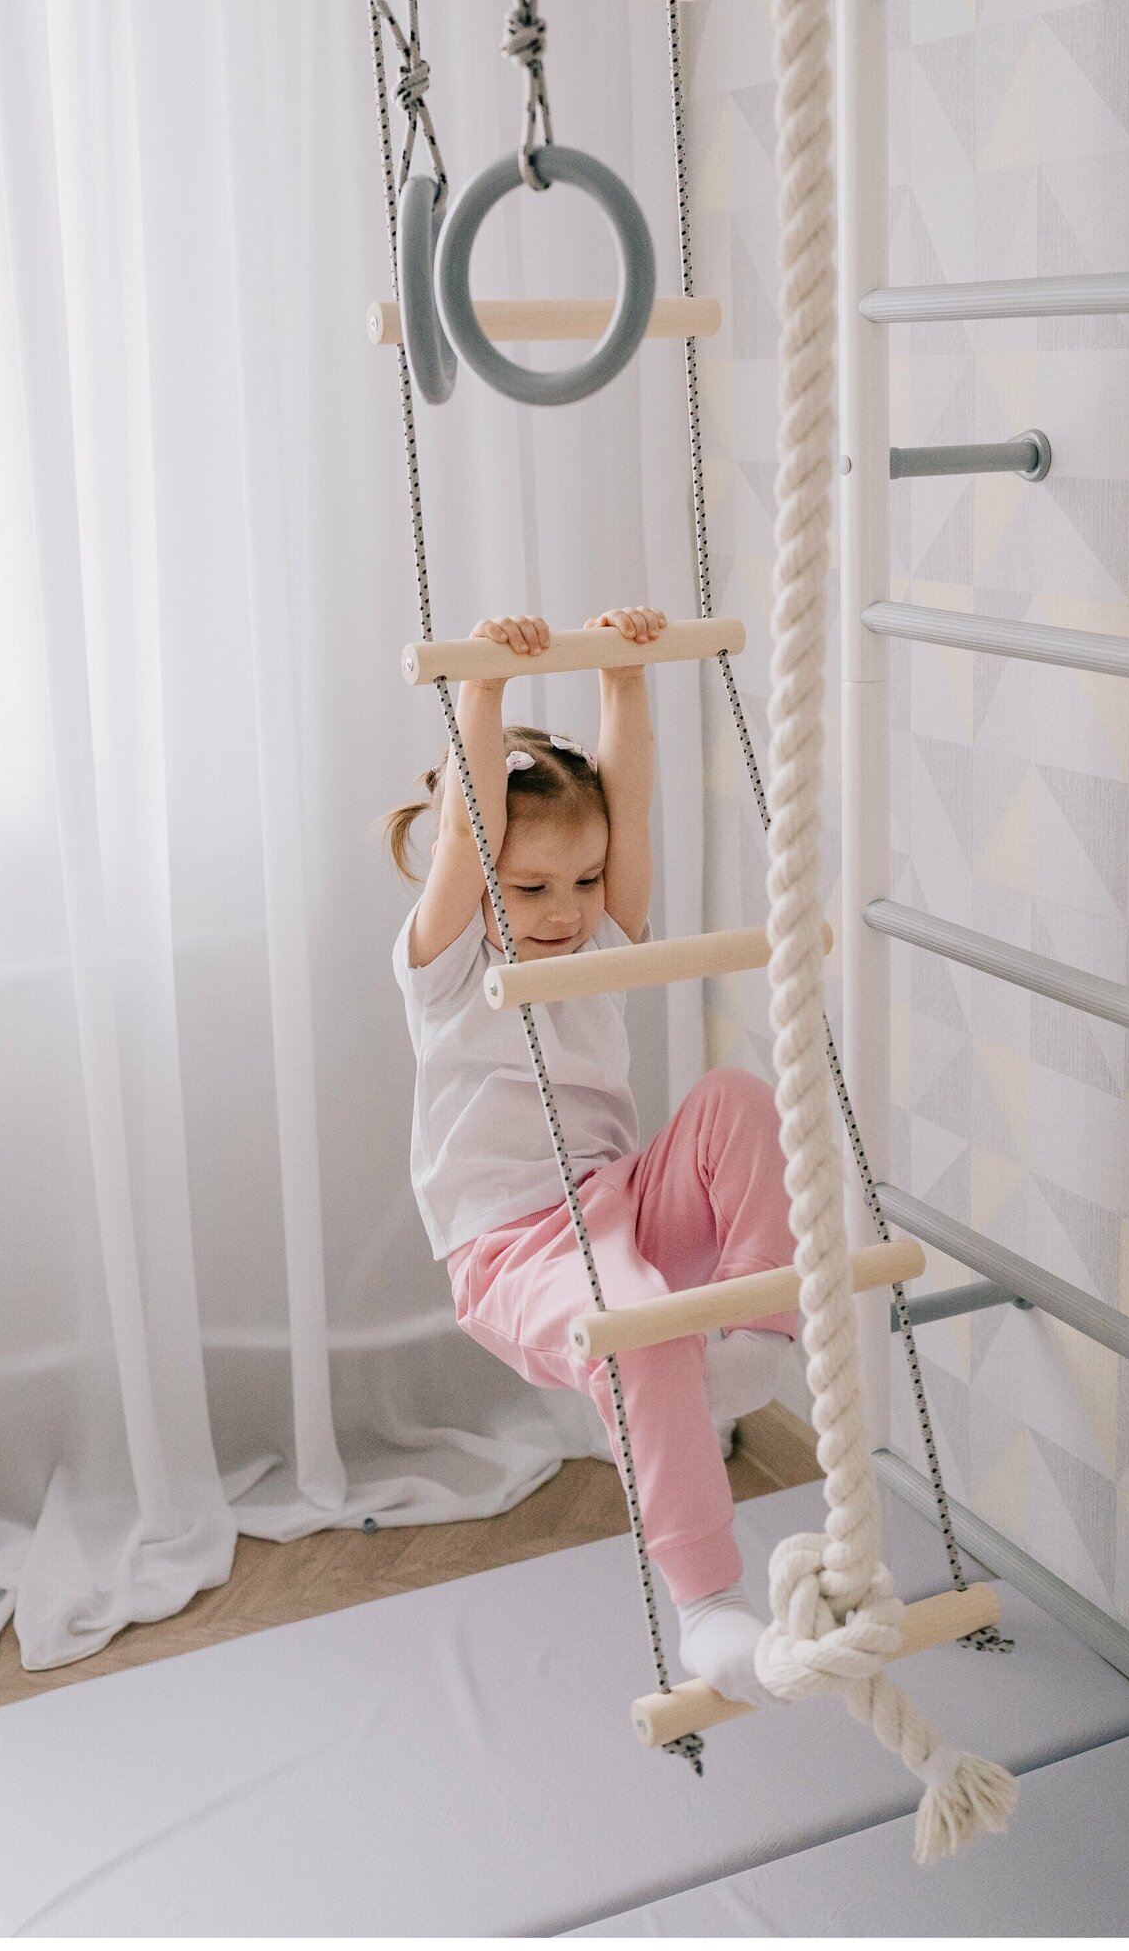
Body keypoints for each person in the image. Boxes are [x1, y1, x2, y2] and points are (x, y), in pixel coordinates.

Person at [380, 607, 799, 1707]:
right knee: (637, 1322)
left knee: (738, 1096)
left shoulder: (599, 927)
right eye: (529, 889)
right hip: (513, 1248)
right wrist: (483, 690)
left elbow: (631, 802)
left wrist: (623, 675)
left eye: (582, 881)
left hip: (616, 1200)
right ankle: (708, 1602)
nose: (565, 913)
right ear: (477, 879)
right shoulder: (446, 960)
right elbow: (469, 835)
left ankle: (759, 1331)